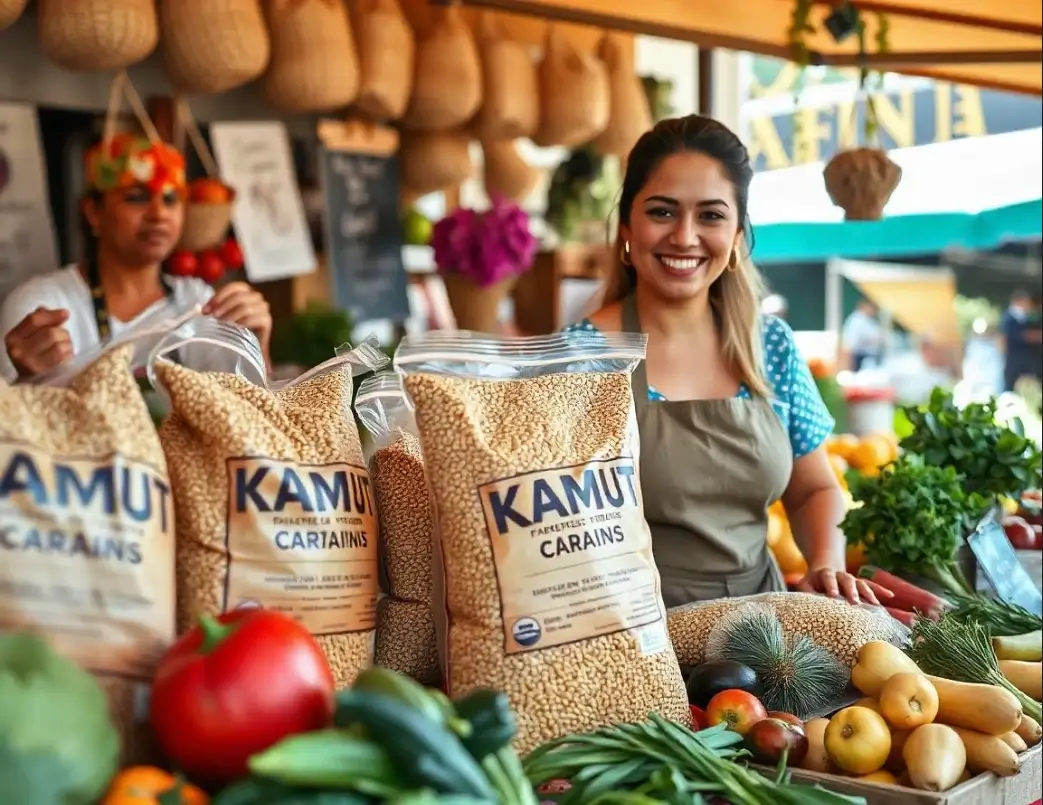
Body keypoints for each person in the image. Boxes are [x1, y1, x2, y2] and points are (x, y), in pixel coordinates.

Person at [565, 114, 888, 608]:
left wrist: (826, 563)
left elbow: (813, 490)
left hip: (763, 632)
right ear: (627, 227)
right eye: (662, 212)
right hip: (629, 634)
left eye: (711, 216)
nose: (685, 236)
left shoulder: (770, 346)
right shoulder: (582, 357)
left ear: (737, 236)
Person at [0, 133, 271, 382]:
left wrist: (256, 347)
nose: (159, 215)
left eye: (170, 199)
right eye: (137, 198)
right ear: (93, 211)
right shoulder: (43, 307)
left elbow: (247, 412)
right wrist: (28, 381)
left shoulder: (200, 301)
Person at [999, 289, 1043, 393]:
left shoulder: (1023, 318)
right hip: (1015, 361)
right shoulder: (1009, 318)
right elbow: (1017, 336)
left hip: (1025, 361)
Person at [841, 299, 883, 372]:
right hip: (860, 353)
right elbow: (854, 338)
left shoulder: (868, 320)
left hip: (867, 353)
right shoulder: (857, 320)